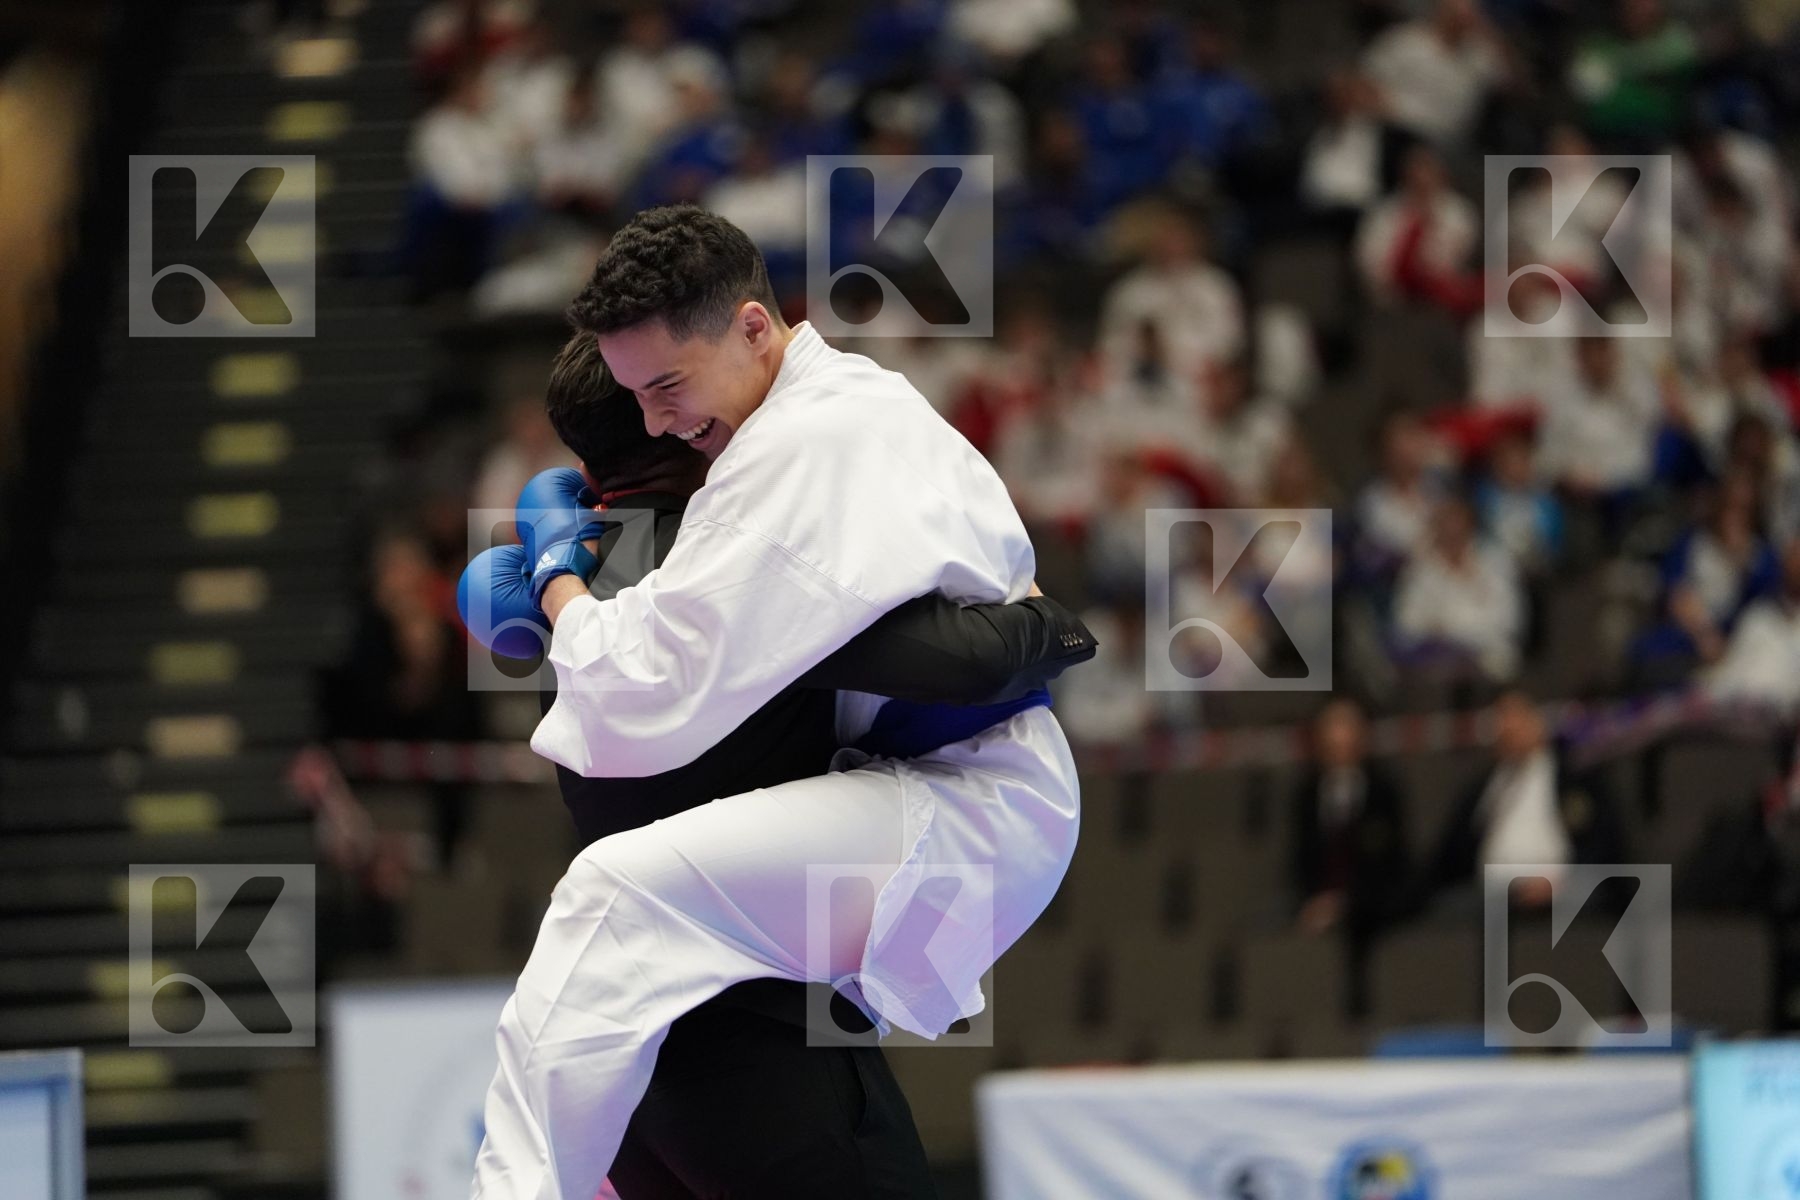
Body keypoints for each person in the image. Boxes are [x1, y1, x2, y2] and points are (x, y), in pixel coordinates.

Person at [469, 205, 1085, 1199]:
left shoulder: (798, 448)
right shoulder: (840, 400)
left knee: (613, 893)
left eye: (667, 386)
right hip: (933, 790)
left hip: (968, 805)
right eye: (636, 396)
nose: (657, 421)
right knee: (622, 940)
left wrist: (555, 580)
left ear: (754, 327)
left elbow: (633, 691)